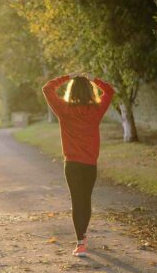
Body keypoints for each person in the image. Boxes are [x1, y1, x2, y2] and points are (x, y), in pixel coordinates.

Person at [42, 72, 115, 257]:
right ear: (90, 91)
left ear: (71, 90)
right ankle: (83, 237)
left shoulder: (64, 109)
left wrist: (67, 76)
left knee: (77, 201)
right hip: (90, 164)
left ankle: (80, 242)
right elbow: (110, 91)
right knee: (86, 200)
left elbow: (47, 89)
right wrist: (94, 78)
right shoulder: (96, 110)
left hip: (72, 164)